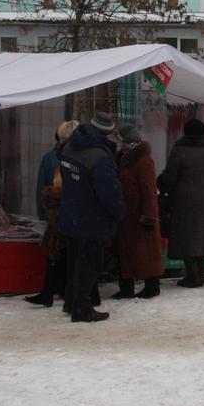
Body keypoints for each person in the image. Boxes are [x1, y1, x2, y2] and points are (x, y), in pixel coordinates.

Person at [59, 112, 125, 323]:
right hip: (91, 219)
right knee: (89, 265)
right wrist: (119, 211)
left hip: (71, 214)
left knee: (74, 262)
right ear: (107, 133)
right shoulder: (100, 157)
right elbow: (109, 192)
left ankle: (71, 302)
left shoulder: (70, 147)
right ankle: (81, 307)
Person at [159, 118, 204, 287]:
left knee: (187, 236)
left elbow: (169, 178)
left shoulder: (179, 150)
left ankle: (192, 276)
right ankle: (200, 274)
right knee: (203, 236)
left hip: (185, 199)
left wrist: (160, 183)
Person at [25, 120, 78, 308]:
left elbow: (42, 186)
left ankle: (50, 291)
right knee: (64, 254)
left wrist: (44, 212)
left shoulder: (52, 157)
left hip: (56, 213)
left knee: (56, 253)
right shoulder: (72, 158)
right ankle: (58, 291)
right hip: (68, 213)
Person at [112, 124, 164, 299]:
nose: (117, 142)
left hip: (139, 215)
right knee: (126, 252)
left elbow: (149, 190)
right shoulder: (123, 157)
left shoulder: (143, 160)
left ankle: (152, 286)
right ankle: (126, 287)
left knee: (146, 252)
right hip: (126, 214)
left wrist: (149, 217)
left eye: (119, 139)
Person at [35, 130, 62, 220]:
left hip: (51, 214)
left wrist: (42, 215)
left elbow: (41, 189)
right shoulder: (51, 159)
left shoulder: (48, 158)